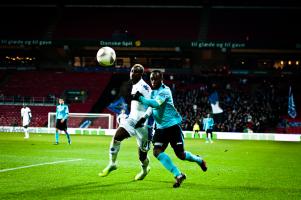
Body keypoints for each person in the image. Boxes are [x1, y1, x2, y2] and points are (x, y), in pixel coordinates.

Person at [133, 70, 207, 188]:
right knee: (157, 152)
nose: (153, 81)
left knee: (181, 155)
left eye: (155, 79)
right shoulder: (153, 92)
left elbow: (156, 104)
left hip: (172, 126)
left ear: (161, 79)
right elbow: (152, 107)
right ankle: (178, 174)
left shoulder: (165, 91)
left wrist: (140, 98)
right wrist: (144, 118)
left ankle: (198, 160)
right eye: (151, 79)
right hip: (160, 128)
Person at [99, 64, 153, 181]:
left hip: (143, 126)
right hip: (131, 120)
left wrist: (144, 118)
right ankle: (112, 163)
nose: (133, 73)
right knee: (116, 137)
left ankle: (145, 169)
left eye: (137, 72)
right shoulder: (133, 85)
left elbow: (152, 105)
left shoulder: (144, 86)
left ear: (141, 74)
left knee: (142, 155)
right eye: (132, 71)